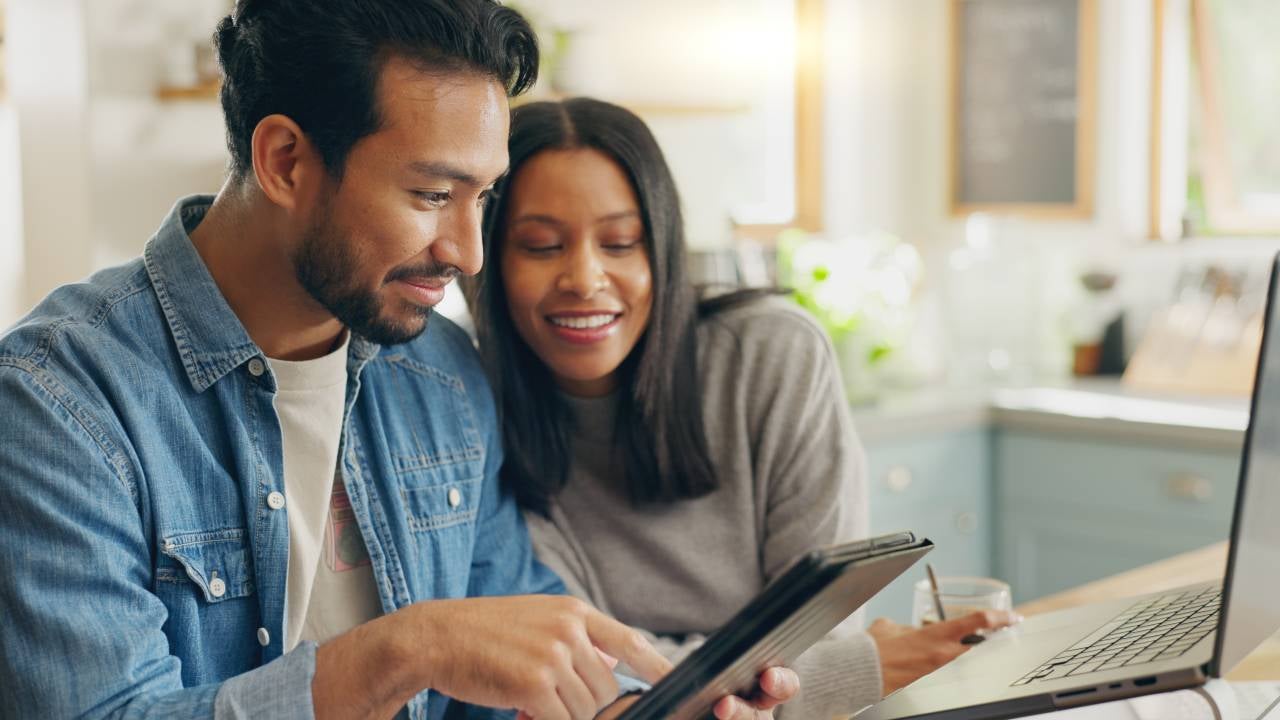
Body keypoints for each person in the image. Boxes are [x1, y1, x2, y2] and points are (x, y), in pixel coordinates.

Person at [0, 4, 797, 719]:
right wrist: (405, 650)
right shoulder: (58, 403)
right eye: (430, 196)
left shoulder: (441, 375)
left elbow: (515, 662)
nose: (469, 253)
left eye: (481, 197)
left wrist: (653, 706)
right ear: (283, 160)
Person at [467, 97, 1018, 719]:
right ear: (489, 258)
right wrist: (860, 668)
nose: (586, 278)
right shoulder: (470, 405)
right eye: (541, 246)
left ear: (664, 252)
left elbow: (820, 625)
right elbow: (584, 679)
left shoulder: (772, 355)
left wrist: (711, 687)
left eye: (621, 242)